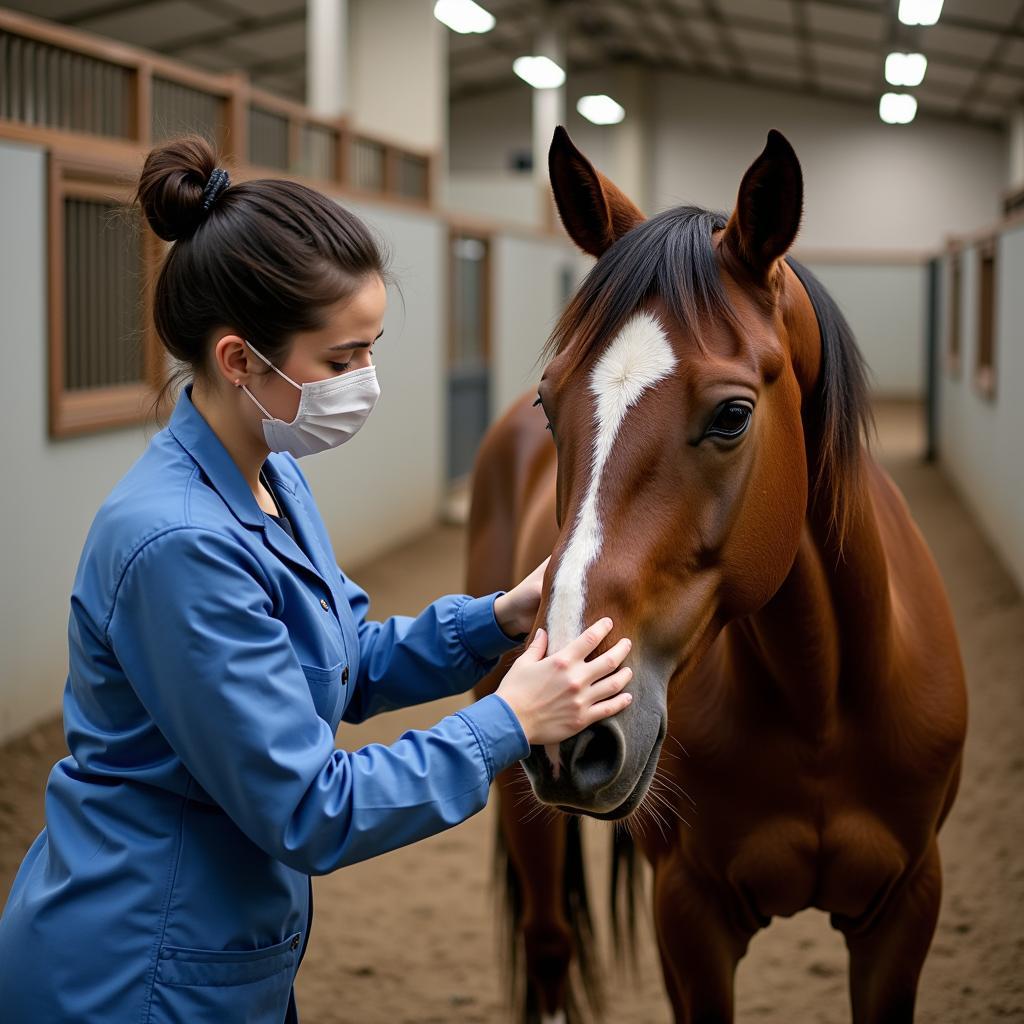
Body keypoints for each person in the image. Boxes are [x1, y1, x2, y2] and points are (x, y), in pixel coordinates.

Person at [0, 136, 633, 1024]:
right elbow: (308, 808)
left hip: (226, 953)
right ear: (238, 360)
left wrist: (495, 619)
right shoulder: (180, 544)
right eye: (340, 361)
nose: (364, 382)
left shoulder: (269, 471)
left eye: (370, 350)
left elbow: (343, 664)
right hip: (137, 973)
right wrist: (507, 722)